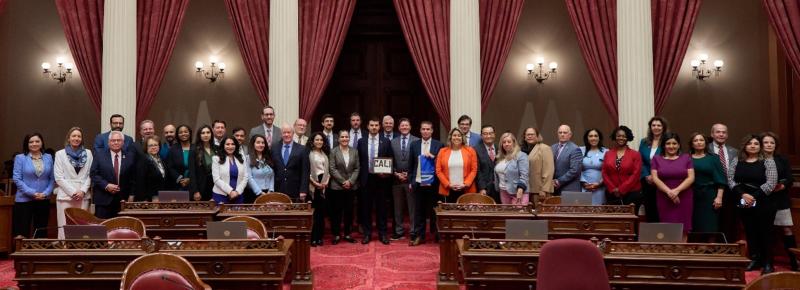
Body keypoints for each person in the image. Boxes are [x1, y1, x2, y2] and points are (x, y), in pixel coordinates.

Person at [730, 135, 778, 274]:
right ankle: (755, 260)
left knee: (766, 232)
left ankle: (768, 263)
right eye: (749, 143)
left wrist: (753, 197)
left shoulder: (768, 161)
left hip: (764, 201)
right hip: (743, 198)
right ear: (744, 146)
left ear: (760, 146)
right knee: (750, 231)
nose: (752, 145)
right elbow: (730, 180)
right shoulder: (736, 161)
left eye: (756, 143)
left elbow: (771, 183)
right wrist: (743, 195)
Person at [761, 132, 797, 270]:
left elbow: (789, 178)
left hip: (780, 199)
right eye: (766, 142)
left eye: (772, 143)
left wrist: (782, 185)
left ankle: (794, 261)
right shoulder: (756, 159)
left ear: (775, 145)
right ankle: (766, 262)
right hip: (763, 199)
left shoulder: (782, 159)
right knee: (765, 230)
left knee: (787, 229)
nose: (769, 145)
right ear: (761, 144)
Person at [357, 118, 394, 245]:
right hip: (366, 179)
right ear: (367, 126)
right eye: (371, 125)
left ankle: (383, 234)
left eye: (376, 125)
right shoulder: (361, 141)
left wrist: (387, 172)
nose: (374, 127)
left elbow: (390, 159)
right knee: (366, 208)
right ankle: (367, 234)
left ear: (380, 127)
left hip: (381, 179)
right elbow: (359, 161)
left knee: (382, 208)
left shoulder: (386, 141)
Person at [651, 133, 695, 236]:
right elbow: (655, 178)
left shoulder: (686, 158)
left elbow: (691, 177)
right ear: (664, 145)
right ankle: (669, 251)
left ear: (679, 145)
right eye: (668, 143)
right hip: (664, 196)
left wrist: (676, 191)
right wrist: (669, 192)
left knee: (684, 226)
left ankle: (682, 251)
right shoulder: (656, 159)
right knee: (667, 226)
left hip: (684, 196)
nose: (671, 146)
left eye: (674, 143)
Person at [408, 121, 443, 246]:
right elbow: (411, 164)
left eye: (428, 129)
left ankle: (438, 235)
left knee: (435, 210)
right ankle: (419, 235)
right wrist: (411, 181)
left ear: (432, 130)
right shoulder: (414, 145)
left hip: (434, 184)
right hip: (418, 183)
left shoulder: (439, 145)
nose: (425, 131)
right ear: (420, 130)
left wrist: (434, 157)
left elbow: (442, 164)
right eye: (423, 129)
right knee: (419, 211)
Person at [54, 127, 93, 239]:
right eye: (74, 136)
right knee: (64, 226)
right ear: (69, 138)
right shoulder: (60, 154)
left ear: (82, 139)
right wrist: (73, 192)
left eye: (79, 136)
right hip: (65, 196)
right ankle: (64, 249)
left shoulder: (88, 153)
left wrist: (82, 191)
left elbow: (90, 175)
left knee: (81, 226)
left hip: (83, 195)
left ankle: (80, 250)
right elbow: (58, 177)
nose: (76, 138)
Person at [13, 133, 54, 238]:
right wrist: (33, 193)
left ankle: (39, 253)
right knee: (22, 232)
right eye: (31, 142)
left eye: (37, 141)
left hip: (43, 199)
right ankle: (22, 254)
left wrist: (45, 193)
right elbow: (17, 179)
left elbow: (52, 178)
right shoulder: (20, 158)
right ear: (27, 144)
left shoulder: (48, 157)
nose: (34, 144)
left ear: (42, 143)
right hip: (24, 199)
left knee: (41, 231)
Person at [90, 131, 137, 218]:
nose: (116, 142)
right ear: (108, 142)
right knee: (103, 228)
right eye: (113, 140)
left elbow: (133, 177)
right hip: (103, 200)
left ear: (123, 142)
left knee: (121, 228)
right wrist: (106, 185)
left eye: (118, 140)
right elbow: (93, 174)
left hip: (123, 200)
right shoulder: (99, 155)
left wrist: (131, 195)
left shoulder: (130, 156)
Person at [687, 132, 727, 234]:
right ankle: (696, 248)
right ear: (691, 144)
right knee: (693, 223)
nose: (699, 142)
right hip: (691, 195)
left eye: (701, 140)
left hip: (710, 195)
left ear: (706, 143)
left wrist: (719, 197)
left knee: (710, 224)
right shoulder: (686, 158)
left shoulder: (713, 158)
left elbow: (721, 180)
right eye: (695, 141)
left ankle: (710, 248)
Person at [709, 123, 740, 245]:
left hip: (730, 190)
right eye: (718, 132)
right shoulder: (705, 149)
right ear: (712, 134)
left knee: (729, 220)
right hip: (711, 189)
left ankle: (728, 246)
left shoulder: (734, 151)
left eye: (724, 132)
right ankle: (711, 248)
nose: (721, 134)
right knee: (712, 220)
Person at [328, 130, 359, 244]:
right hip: (337, 186)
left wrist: (350, 181)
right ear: (338, 139)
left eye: (346, 137)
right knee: (336, 211)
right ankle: (336, 234)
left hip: (351, 187)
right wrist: (343, 181)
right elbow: (332, 168)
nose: (345, 139)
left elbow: (357, 168)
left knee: (349, 211)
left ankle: (347, 234)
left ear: (349, 138)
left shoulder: (354, 151)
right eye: (342, 137)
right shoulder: (333, 151)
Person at [390, 118, 418, 240]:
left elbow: (418, 161)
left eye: (407, 125)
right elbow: (389, 159)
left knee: (412, 207)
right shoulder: (392, 141)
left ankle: (413, 231)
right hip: (396, 179)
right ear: (399, 128)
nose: (404, 127)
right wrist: (395, 173)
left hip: (411, 179)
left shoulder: (417, 141)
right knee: (397, 207)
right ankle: (399, 231)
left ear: (410, 127)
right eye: (402, 125)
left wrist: (410, 175)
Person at [602, 126, 642, 206]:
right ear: (615, 137)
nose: (621, 138)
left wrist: (621, 189)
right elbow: (604, 172)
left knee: (630, 218)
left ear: (628, 137)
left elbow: (636, 175)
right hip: (612, 193)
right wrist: (613, 188)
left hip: (632, 192)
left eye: (624, 136)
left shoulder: (635, 154)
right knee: (614, 218)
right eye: (619, 136)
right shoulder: (608, 153)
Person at [436, 128, 478, 202]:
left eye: (459, 135)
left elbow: (474, 170)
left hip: (466, 189)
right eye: (454, 135)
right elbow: (438, 171)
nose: (456, 137)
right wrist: (448, 184)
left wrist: (466, 184)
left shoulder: (470, 151)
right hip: (447, 189)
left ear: (462, 137)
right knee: (449, 212)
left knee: (465, 213)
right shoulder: (442, 151)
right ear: (450, 137)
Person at [639, 116, 668, 222]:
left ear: (663, 127)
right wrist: (647, 175)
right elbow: (640, 160)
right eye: (653, 125)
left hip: (663, 180)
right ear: (650, 127)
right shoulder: (644, 142)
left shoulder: (668, 142)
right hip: (647, 182)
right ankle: (652, 236)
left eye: (659, 125)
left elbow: (670, 161)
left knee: (662, 208)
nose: (656, 127)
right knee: (650, 209)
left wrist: (655, 176)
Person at [272, 123, 310, 201]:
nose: (286, 135)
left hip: (296, 190)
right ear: (281, 134)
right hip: (278, 189)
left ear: (293, 133)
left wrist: (303, 190)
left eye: (289, 132)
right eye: (284, 132)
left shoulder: (302, 149)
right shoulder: (274, 148)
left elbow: (305, 171)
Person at [308, 132, 331, 246]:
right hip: (313, 185)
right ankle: (313, 238)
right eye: (317, 140)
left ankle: (319, 237)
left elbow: (328, 171)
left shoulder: (325, 154)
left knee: (321, 214)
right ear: (312, 141)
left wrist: (326, 182)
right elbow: (307, 171)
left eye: (321, 140)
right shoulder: (309, 154)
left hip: (324, 186)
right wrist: (315, 183)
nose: (319, 142)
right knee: (314, 214)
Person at [211, 136, 249, 204]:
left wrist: (237, 192)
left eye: (233, 144)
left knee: (238, 215)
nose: (230, 146)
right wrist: (230, 191)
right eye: (227, 144)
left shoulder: (241, 157)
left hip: (238, 195)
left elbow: (246, 177)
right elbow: (216, 179)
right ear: (223, 146)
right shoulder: (216, 158)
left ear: (236, 146)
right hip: (221, 195)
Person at [494, 132, 529, 204]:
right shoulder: (500, 157)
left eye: (509, 142)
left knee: (518, 214)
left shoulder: (521, 155)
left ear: (514, 143)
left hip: (518, 192)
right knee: (507, 214)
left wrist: (520, 189)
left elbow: (524, 175)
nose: (506, 144)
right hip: (503, 192)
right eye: (504, 142)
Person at [525, 127, 555, 205]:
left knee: (542, 215)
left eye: (532, 134)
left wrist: (544, 190)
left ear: (537, 136)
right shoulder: (525, 149)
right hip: (531, 190)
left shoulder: (544, 148)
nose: (529, 136)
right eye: (527, 134)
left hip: (541, 191)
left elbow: (548, 170)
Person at [580, 129, 608, 205]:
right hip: (584, 187)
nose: (593, 138)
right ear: (587, 138)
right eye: (590, 136)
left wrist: (599, 183)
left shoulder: (606, 152)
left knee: (599, 213)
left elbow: (608, 171)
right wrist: (584, 183)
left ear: (599, 138)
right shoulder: (580, 150)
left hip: (600, 188)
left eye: (596, 136)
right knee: (585, 211)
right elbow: (577, 169)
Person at [552, 124, 582, 195]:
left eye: (565, 133)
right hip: (554, 189)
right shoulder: (552, 147)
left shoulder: (575, 149)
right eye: (560, 132)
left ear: (570, 135)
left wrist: (558, 181)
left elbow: (574, 170)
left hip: (569, 188)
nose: (562, 134)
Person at [135, 136, 166, 201]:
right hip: (149, 198)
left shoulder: (161, 159)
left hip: (161, 196)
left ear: (159, 146)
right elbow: (140, 182)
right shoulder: (143, 160)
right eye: (150, 145)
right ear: (146, 147)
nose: (154, 147)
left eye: (156, 145)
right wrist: (144, 199)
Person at [246, 134, 275, 203]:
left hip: (268, 193)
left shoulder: (267, 158)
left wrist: (271, 190)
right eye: (258, 142)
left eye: (263, 143)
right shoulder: (248, 158)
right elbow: (249, 177)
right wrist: (259, 192)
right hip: (254, 193)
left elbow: (272, 175)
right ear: (253, 144)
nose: (261, 145)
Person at [475, 125, 500, 203]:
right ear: (481, 136)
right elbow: (477, 171)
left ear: (494, 134)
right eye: (485, 134)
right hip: (485, 189)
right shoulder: (476, 150)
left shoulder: (501, 148)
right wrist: (482, 188)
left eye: (491, 133)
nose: (488, 136)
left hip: (500, 188)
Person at [189, 125, 215, 201]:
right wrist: (195, 191)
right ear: (199, 135)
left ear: (211, 134)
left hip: (216, 187)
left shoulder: (217, 148)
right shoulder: (194, 149)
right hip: (201, 187)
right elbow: (192, 172)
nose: (206, 135)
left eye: (208, 132)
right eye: (203, 133)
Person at [166, 125, 193, 191]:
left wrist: (190, 179)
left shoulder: (196, 148)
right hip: (177, 185)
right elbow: (170, 167)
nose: (183, 134)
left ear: (190, 133)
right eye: (180, 132)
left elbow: (199, 168)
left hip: (194, 184)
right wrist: (180, 179)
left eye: (186, 132)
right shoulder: (173, 149)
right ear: (177, 135)